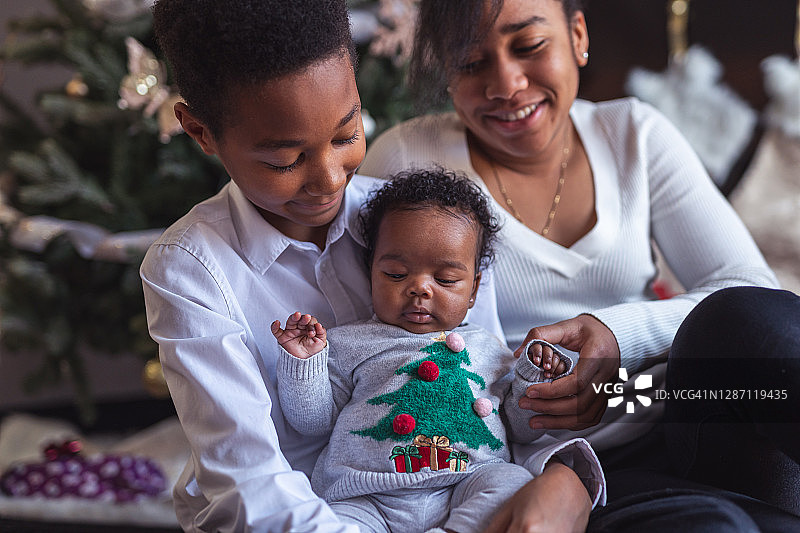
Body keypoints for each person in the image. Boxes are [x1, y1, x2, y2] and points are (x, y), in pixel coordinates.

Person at [141, 0, 602, 531]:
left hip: (460, 493)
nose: (329, 180)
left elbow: (491, 389)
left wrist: (561, 478)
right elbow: (250, 485)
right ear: (200, 133)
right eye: (284, 161)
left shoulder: (430, 227)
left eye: (345, 134)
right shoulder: (191, 269)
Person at [358, 0, 800, 530]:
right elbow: (375, 356)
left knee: (751, 321)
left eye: (529, 46)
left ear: (577, 35)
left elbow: (754, 293)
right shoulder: (408, 161)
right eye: (470, 63)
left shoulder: (634, 134)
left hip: (676, 407)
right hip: (536, 474)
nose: (506, 84)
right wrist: (559, 469)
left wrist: (618, 334)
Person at [271, 169, 604, 533]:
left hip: (465, 484)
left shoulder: (488, 348)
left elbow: (521, 431)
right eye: (396, 274)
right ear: (371, 274)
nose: (419, 289)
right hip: (366, 494)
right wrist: (304, 362)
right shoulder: (351, 343)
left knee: (512, 481)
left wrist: (530, 378)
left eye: (445, 280)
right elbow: (312, 422)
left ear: (474, 289)